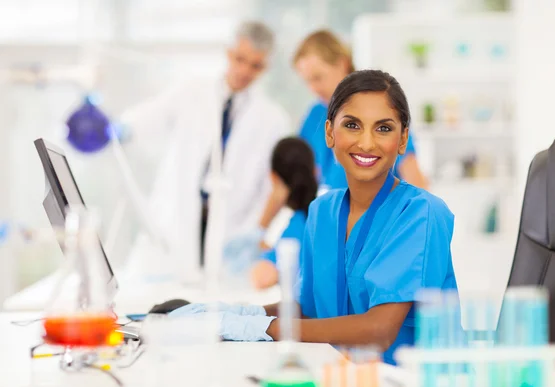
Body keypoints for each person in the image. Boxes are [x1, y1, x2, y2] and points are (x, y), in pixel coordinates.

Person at [170, 70, 457, 365]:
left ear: (402, 139)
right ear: (330, 133)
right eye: (352, 125)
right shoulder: (323, 213)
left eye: (383, 128)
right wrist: (233, 314)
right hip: (348, 382)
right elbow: (308, 311)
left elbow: (379, 329)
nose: (367, 143)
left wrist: (261, 328)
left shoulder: (420, 214)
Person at [119, 21, 290, 275]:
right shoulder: (191, 91)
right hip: (176, 226)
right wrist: (121, 129)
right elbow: (151, 117)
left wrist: (257, 231)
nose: (244, 71)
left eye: (255, 65)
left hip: (231, 234)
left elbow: (273, 187)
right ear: (228, 52)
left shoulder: (273, 119)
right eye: (239, 59)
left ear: (265, 67)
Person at [255, 30, 428, 241]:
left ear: (342, 63)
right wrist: (260, 231)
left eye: (318, 77)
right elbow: (292, 182)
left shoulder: (379, 110)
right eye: (307, 81)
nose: (313, 88)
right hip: (320, 230)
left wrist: (420, 238)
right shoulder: (315, 116)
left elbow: (415, 180)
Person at [248, 137, 318, 289]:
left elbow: (262, 278)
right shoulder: (324, 216)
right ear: (316, 171)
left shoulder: (292, 226)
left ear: (273, 177)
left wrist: (264, 222)